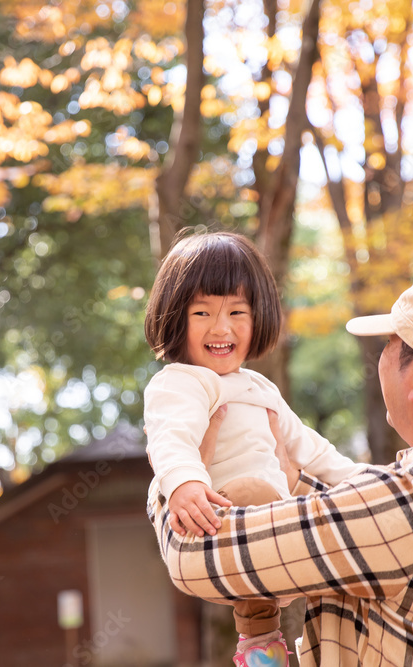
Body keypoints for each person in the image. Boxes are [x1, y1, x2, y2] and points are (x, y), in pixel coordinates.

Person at [149, 261, 413, 666]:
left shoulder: (412, 501)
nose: (382, 358)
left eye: (390, 344)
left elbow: (193, 559)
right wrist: (291, 477)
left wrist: (176, 481)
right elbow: (357, 516)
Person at [144, 231, 368, 666]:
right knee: (252, 491)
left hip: (277, 521)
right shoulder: (179, 383)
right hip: (221, 518)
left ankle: (271, 645)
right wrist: (184, 484)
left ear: (258, 317)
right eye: (202, 312)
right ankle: (259, 636)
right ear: (175, 319)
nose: (221, 327)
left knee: (325, 519)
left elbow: (309, 446)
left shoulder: (260, 387)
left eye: (237, 312)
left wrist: (360, 479)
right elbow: (172, 438)